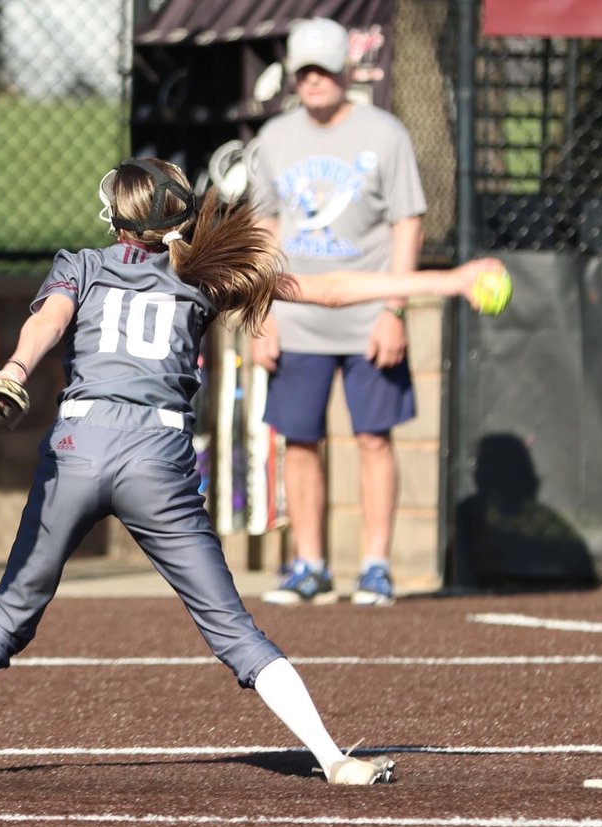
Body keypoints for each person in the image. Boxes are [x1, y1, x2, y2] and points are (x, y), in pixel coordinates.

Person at [0, 157, 499, 786]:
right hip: (158, 458)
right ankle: (334, 758)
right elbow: (330, 291)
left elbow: (46, 320)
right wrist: (452, 281)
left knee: (11, 606)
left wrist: (13, 373)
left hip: (78, 445)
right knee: (231, 626)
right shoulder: (205, 279)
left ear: (117, 217)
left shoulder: (83, 264)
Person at [250, 17, 428, 607]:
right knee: (299, 441)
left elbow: (408, 221)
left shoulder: (385, 134)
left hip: (367, 316)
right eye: (304, 71)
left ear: (345, 73)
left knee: (374, 438)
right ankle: (309, 565)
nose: (314, 80)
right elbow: (263, 230)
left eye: (324, 69)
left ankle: (375, 566)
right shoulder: (273, 139)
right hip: (297, 317)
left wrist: (392, 309)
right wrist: (262, 314)